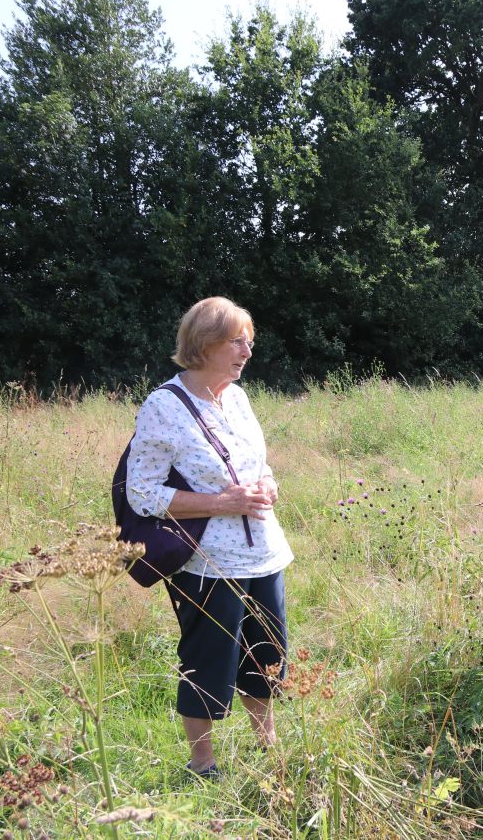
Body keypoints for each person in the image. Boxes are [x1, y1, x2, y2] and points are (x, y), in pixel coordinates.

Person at [125, 296, 293, 778]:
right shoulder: (164, 405)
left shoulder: (237, 397)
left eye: (249, 341)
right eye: (237, 341)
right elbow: (141, 492)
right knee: (208, 661)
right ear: (204, 344)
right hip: (207, 562)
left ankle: (268, 747)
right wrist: (222, 504)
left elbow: (254, 465)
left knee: (268, 654)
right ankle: (203, 765)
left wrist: (268, 485)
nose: (247, 351)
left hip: (263, 551)